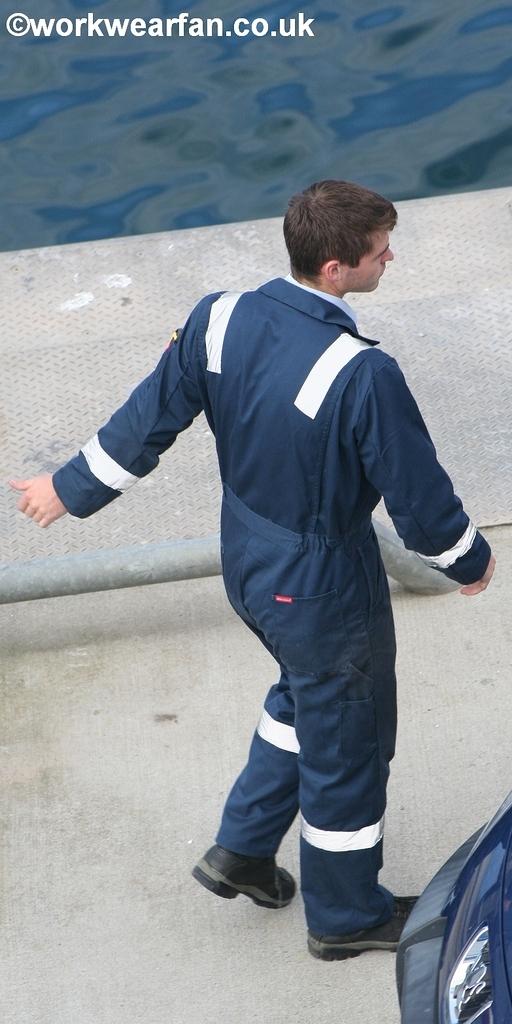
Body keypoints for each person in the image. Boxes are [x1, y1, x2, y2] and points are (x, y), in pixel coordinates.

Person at [10, 180, 495, 961]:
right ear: (336, 268)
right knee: (348, 741)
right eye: (379, 251)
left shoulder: (218, 317)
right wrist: (466, 560)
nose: (390, 259)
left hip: (246, 556)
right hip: (322, 583)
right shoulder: (363, 373)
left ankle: (241, 849)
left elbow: (148, 416)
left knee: (305, 694)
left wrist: (64, 489)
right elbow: (418, 496)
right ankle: (345, 916)